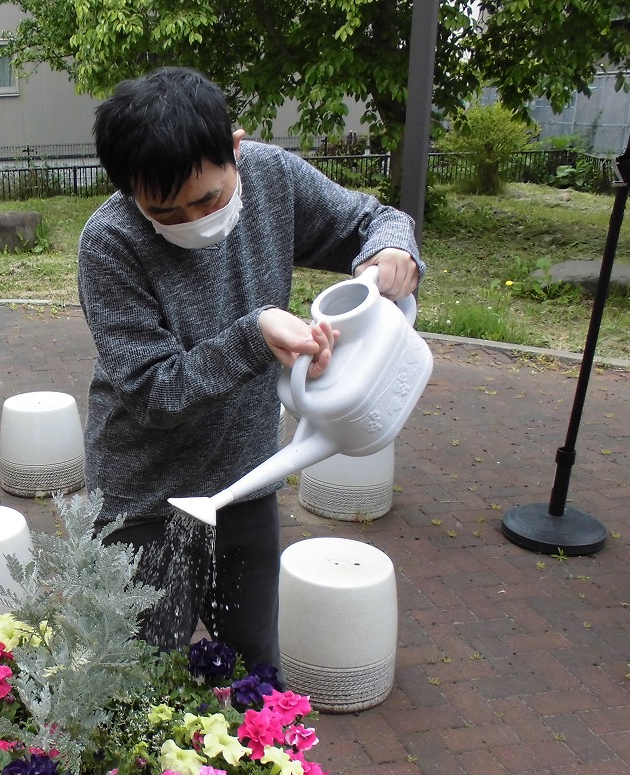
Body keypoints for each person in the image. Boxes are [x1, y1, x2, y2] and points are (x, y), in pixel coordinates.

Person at [78, 66, 423, 678]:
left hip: (248, 481)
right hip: (144, 504)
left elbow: (371, 219)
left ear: (235, 148)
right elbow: (153, 391)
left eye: (207, 198)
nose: (191, 219)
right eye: (165, 209)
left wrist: (394, 250)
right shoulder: (110, 242)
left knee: (255, 670)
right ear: (130, 190)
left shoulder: (272, 178)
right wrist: (256, 335)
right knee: (141, 685)